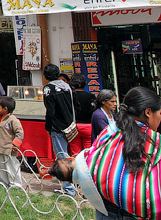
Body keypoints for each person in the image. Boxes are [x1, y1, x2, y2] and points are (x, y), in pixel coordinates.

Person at [49, 86, 161, 220]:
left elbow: (91, 159)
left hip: (105, 211)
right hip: (139, 214)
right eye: (159, 114)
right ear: (148, 112)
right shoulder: (156, 141)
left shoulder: (108, 134)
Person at [42, 63, 76, 196]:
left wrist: (48, 126)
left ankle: (68, 189)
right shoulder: (67, 87)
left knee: (62, 156)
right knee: (70, 154)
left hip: (58, 126)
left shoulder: (49, 89)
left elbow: (50, 111)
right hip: (70, 125)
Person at [0, 96, 24, 189]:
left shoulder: (13, 120)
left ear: (5, 109)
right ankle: (4, 182)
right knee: (1, 166)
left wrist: (16, 144)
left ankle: (16, 185)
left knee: (12, 167)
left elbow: (20, 132)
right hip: (0, 148)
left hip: (9, 149)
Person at [69, 73, 95, 155]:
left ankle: (77, 167)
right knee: (89, 152)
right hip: (88, 126)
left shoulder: (69, 97)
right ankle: (88, 167)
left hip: (73, 127)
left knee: (75, 152)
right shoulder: (91, 97)